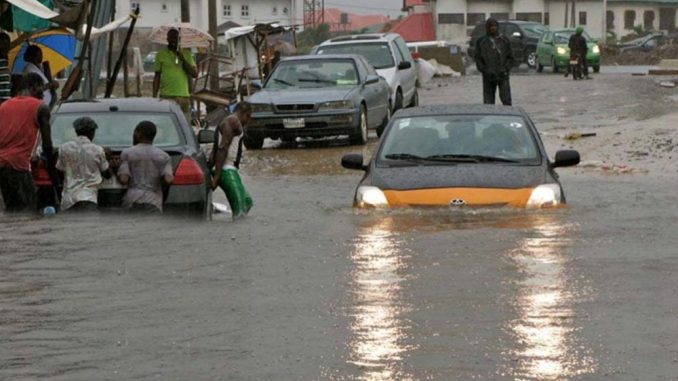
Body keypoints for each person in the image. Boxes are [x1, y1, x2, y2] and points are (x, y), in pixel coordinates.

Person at [0, 73, 53, 213]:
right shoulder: (41, 107)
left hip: (3, 165)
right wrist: (53, 173)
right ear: (34, 86)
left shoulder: (4, 106)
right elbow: (48, 145)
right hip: (18, 166)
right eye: (42, 87)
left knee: (11, 209)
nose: (43, 92)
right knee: (27, 212)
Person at [56, 117, 114, 212]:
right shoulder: (98, 150)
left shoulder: (64, 148)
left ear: (76, 131)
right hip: (88, 198)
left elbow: (59, 171)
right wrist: (108, 161)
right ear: (92, 132)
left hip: (68, 200)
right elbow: (107, 175)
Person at [117, 121, 174, 214]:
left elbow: (124, 179)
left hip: (132, 201)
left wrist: (116, 170)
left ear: (138, 134)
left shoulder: (127, 153)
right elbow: (168, 179)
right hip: (154, 201)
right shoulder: (164, 156)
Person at [211, 102, 253, 219]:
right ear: (247, 115)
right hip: (225, 170)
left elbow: (216, 147)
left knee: (247, 202)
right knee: (240, 212)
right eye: (249, 118)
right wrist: (216, 177)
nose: (248, 122)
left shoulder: (232, 121)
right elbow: (222, 148)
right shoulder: (232, 122)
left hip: (230, 169)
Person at [153, 28, 197, 125]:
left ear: (179, 40)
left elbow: (194, 74)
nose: (173, 40)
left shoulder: (186, 54)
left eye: (176, 38)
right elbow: (157, 76)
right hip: (166, 95)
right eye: (171, 38)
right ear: (167, 39)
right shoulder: (160, 55)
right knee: (166, 124)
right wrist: (154, 96)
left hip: (183, 96)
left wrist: (182, 59)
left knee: (184, 124)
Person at [474, 18, 514, 106]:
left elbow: (511, 57)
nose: (493, 28)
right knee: (488, 102)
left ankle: (507, 117)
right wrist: (485, 70)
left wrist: (505, 69)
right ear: (487, 28)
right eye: (491, 26)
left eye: (495, 26)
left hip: (503, 75)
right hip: (488, 76)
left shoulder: (505, 40)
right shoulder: (481, 42)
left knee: (506, 100)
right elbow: (478, 59)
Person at [0, 31, 11, 104]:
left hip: (5, 100)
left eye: (7, 44)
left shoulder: (5, 60)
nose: (6, 46)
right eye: (3, 43)